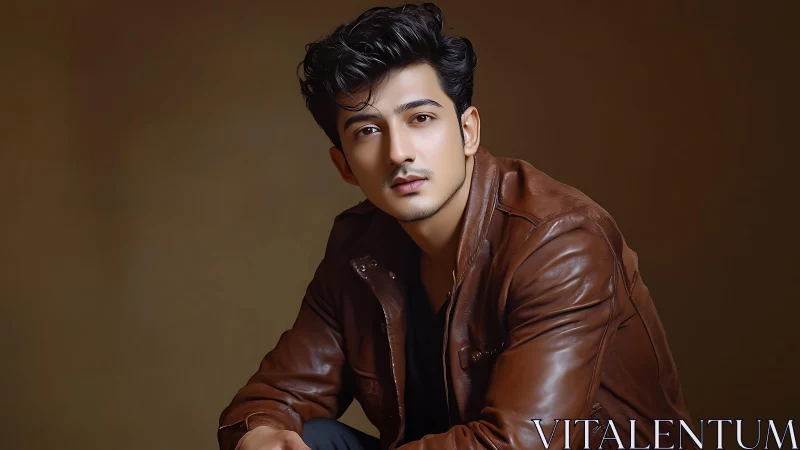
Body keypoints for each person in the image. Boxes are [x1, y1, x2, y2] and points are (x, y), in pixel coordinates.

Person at [218, 3, 695, 450]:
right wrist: (258, 435)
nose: (398, 152)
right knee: (304, 438)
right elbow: (273, 397)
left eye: (421, 118)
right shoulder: (358, 247)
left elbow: (518, 443)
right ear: (344, 165)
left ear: (468, 131)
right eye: (367, 130)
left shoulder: (560, 240)